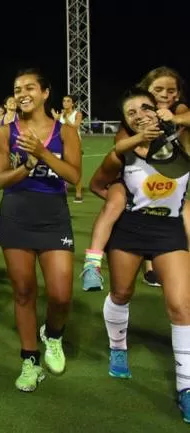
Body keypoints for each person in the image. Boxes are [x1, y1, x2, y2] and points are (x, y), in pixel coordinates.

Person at [90, 87, 190, 423]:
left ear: (157, 110)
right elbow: (96, 184)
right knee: (121, 292)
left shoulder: (181, 140)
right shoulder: (123, 153)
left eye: (144, 108)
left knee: (181, 305)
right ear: (127, 122)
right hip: (130, 230)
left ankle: (186, 388)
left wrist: (173, 118)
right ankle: (118, 349)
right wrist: (119, 196)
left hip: (170, 230)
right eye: (130, 113)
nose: (138, 115)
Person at [0, 69, 81, 392]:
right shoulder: (5, 132)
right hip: (16, 214)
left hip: (54, 215)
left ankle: (53, 335)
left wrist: (42, 154)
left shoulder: (67, 132)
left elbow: (73, 176)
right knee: (24, 290)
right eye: (17, 88)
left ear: (45, 92)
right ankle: (29, 361)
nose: (22, 92)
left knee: (60, 294)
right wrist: (27, 165)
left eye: (30, 87)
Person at [80, 67, 190, 291]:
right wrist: (142, 137)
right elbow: (118, 148)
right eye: (158, 90)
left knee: (186, 211)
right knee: (116, 202)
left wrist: (175, 118)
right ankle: (92, 264)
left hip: (167, 204)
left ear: (178, 95)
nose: (165, 95)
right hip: (132, 194)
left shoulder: (179, 115)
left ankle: (156, 264)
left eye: (171, 91)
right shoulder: (131, 124)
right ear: (146, 91)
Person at [52, 94, 85, 203]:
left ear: (72, 103)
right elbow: (57, 125)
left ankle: (78, 193)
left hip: (73, 143)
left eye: (68, 101)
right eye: (64, 101)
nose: (65, 103)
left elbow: (75, 126)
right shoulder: (61, 114)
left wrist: (66, 119)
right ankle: (63, 190)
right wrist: (55, 117)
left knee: (76, 167)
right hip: (61, 142)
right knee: (61, 167)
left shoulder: (77, 114)